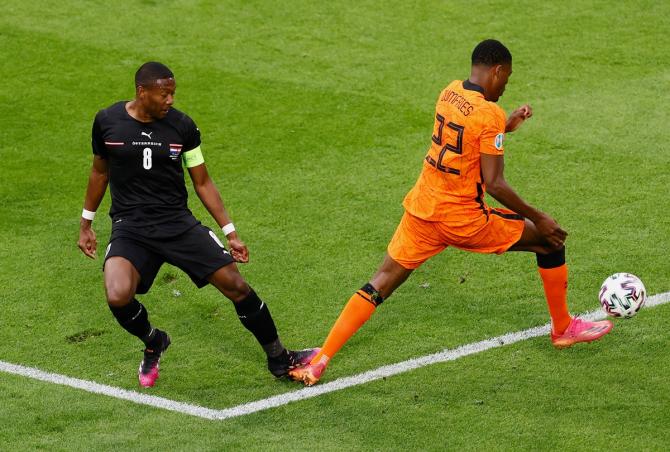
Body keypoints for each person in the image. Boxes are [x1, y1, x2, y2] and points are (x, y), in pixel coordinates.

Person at [289, 40, 612, 386]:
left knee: (379, 282)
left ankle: (320, 360)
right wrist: (542, 217)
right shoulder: (488, 113)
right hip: (463, 220)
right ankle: (562, 329)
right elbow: (495, 184)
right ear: (498, 70)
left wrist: (506, 126)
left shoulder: (449, 93)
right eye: (507, 79)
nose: (506, 87)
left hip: (422, 211)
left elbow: (465, 138)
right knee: (548, 242)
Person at [78, 62, 317, 388]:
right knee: (118, 294)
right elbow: (99, 172)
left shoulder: (182, 127)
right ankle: (154, 340)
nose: (171, 100)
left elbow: (203, 182)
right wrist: (86, 223)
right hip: (131, 227)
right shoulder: (107, 122)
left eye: (173, 93)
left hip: (177, 225)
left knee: (236, 286)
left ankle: (279, 357)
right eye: (165, 94)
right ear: (142, 92)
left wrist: (230, 233)